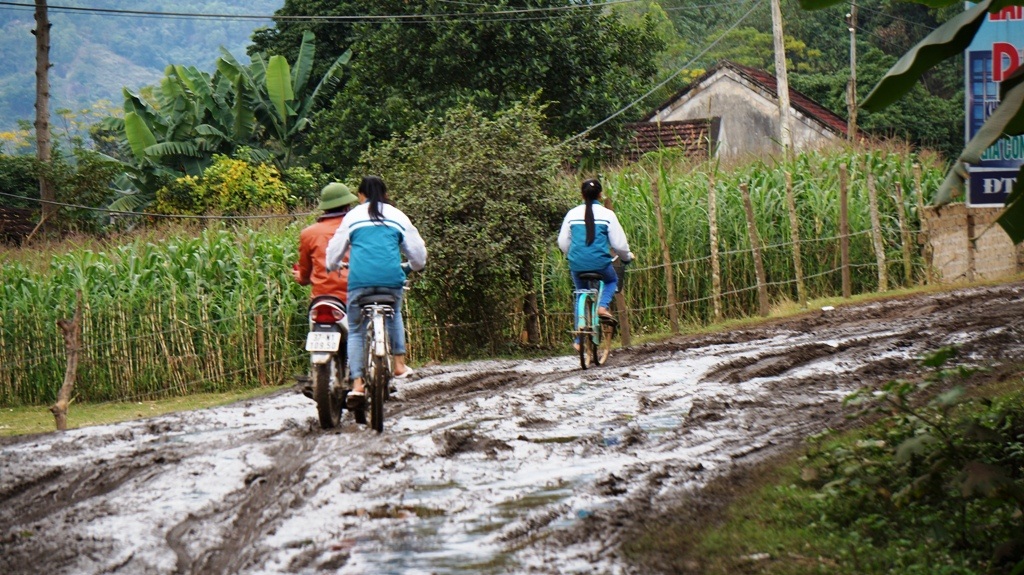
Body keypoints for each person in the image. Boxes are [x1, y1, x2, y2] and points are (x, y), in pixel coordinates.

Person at [326, 175, 427, 408]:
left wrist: (332, 266)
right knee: (395, 312)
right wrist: (411, 266)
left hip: (359, 283)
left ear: (361, 195)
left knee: (357, 330)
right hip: (391, 282)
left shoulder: (352, 217)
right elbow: (418, 255)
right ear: (386, 194)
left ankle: (358, 385)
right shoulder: (397, 216)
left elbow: (334, 254)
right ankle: (399, 364)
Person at [557, 178, 634, 339]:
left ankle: (579, 339)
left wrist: (572, 256)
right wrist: (627, 257)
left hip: (577, 264)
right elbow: (619, 245)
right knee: (611, 281)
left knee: (581, 292)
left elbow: (563, 242)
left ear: (582, 195)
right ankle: (602, 306)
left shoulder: (572, 214)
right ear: (600, 195)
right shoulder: (608, 215)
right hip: (600, 264)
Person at [293, 182, 360, 302]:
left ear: (325, 208)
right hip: (357, 293)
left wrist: (300, 277)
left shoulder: (309, 233)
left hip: (323, 298)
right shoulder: (359, 228)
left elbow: (304, 276)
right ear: (347, 206)